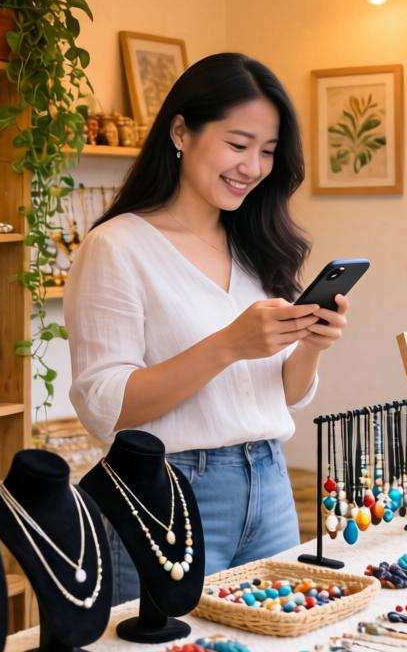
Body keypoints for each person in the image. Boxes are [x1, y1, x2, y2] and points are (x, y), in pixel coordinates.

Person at [65, 53, 349, 602]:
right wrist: (227, 346)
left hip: (269, 485)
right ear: (180, 131)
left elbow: (282, 394)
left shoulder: (258, 245)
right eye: (238, 145)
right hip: (168, 494)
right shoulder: (117, 247)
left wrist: (312, 344)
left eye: (267, 152)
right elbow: (106, 406)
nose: (254, 166)